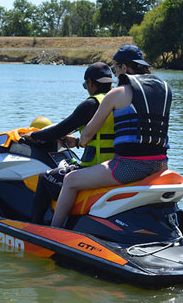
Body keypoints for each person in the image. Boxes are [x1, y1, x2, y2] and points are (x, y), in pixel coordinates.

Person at [51, 44, 172, 227]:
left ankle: (54, 231)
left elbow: (87, 136)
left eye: (115, 67)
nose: (114, 73)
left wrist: (78, 141)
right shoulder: (165, 90)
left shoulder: (116, 94)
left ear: (124, 67)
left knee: (70, 180)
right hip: (161, 164)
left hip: (129, 167)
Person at [23, 62, 116, 224]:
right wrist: (78, 142)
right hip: (116, 165)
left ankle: (35, 228)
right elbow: (103, 135)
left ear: (91, 83)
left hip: (95, 167)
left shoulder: (92, 104)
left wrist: (33, 136)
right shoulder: (120, 101)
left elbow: (60, 130)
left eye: (85, 85)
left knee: (46, 178)